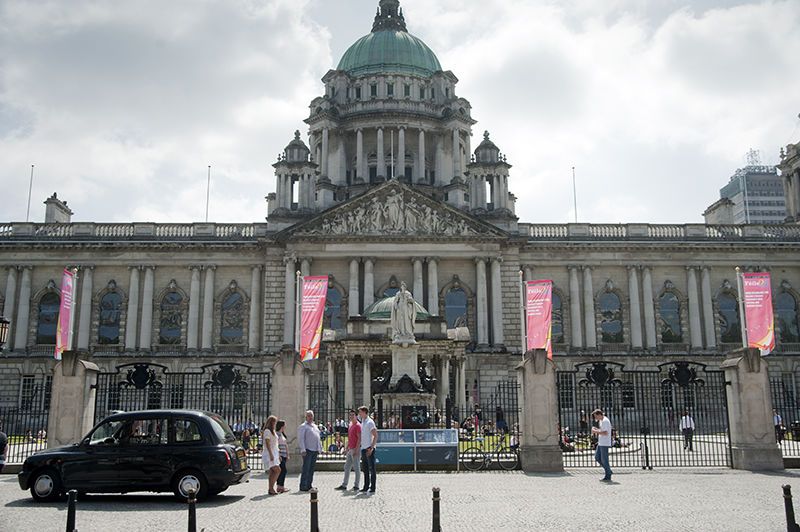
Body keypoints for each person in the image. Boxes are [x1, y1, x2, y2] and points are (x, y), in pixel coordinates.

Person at [335, 410, 361, 491]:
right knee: (347, 467)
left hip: (355, 449)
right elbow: (350, 438)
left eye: (353, 415)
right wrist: (347, 448)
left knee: (356, 468)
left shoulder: (358, 425)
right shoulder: (350, 425)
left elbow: (359, 439)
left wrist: (356, 449)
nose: (351, 416)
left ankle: (356, 485)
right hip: (350, 449)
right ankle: (344, 484)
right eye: (350, 415)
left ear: (356, 416)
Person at [297, 410, 323, 492]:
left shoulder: (315, 426)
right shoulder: (303, 426)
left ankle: (309, 485)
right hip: (307, 450)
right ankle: (303, 485)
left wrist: (320, 448)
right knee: (306, 468)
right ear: (306, 417)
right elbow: (301, 439)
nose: (310, 417)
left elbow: (318, 438)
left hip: (314, 450)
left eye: (311, 415)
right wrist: (303, 449)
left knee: (311, 469)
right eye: (308, 415)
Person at [358, 405, 378, 493]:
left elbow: (375, 435)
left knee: (372, 469)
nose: (359, 414)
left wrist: (372, 448)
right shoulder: (363, 422)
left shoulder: (370, 422)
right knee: (365, 469)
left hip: (369, 448)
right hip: (363, 447)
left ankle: (373, 487)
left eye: (360, 412)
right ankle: (366, 486)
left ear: (365, 412)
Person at [591, 409, 613, 481]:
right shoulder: (601, 421)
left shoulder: (605, 421)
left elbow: (605, 433)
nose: (595, 418)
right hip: (601, 442)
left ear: (599, 414)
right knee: (597, 457)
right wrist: (596, 429)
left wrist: (595, 431)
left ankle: (608, 475)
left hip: (604, 443)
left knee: (604, 460)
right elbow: (602, 430)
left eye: (596, 416)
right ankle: (608, 470)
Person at [262, 415, 281, 495]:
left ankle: (271, 489)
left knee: (273, 472)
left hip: (274, 452)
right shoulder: (267, 431)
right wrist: (271, 454)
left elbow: (276, 444)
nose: (275, 424)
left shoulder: (272, 431)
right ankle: (271, 488)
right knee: (277, 470)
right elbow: (267, 443)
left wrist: (278, 454)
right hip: (269, 453)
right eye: (274, 422)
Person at [275, 420, 290, 493]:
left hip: (284, 455)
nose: (285, 427)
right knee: (283, 470)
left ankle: (280, 486)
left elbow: (286, 445)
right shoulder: (277, 434)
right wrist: (278, 455)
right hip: (280, 455)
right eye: (284, 425)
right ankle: (280, 486)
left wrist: (287, 454)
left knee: (282, 471)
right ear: (281, 426)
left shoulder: (282, 434)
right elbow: (276, 446)